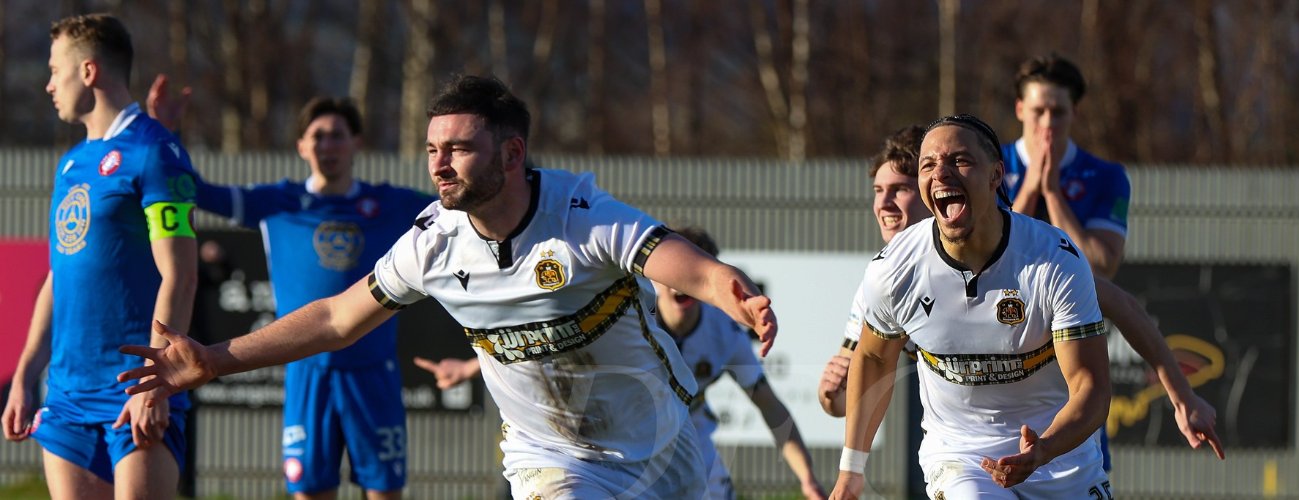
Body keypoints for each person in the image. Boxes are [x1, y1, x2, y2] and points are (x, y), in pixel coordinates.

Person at [116, 74, 777, 499]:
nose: (438, 163)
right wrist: (211, 359)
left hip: (664, 441)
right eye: (432, 148)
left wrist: (732, 292)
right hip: (553, 459)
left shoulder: (581, 215)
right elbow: (336, 320)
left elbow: (677, 261)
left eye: (457, 148)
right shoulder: (433, 242)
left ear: (512, 155)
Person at [817, 126, 1223, 465]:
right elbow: (850, 396)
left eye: (899, 189)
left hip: (1056, 436)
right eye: (878, 190)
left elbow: (1124, 307)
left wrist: (1182, 396)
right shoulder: (887, 275)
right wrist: (831, 393)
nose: (885, 203)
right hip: (969, 451)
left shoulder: (1034, 262)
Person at [149, 92, 435, 499]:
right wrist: (166, 134)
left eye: (337, 135)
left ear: (357, 142)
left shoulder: (390, 204)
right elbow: (195, 190)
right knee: (309, 490)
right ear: (301, 145)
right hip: (306, 372)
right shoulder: (276, 202)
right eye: (316, 136)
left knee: (384, 490)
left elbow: (459, 211)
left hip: (373, 371)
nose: (327, 145)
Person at [413, 225, 827, 500]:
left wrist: (807, 477)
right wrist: (468, 368)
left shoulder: (725, 335)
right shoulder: (626, 314)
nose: (681, 285)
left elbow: (770, 406)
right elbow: (542, 345)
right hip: (611, 438)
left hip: (685, 438)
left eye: (695, 277)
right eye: (674, 274)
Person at [831, 115, 1113, 499]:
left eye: (959, 160)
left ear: (997, 175)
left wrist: (1043, 449)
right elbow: (875, 359)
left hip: (1059, 459)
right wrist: (851, 470)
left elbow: (1090, 386)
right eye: (928, 164)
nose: (941, 174)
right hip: (961, 457)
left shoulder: (1053, 260)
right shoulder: (894, 268)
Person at [2, 14, 198, 499]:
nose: (49, 84)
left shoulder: (157, 152)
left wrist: (157, 381)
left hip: (132, 391)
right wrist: (27, 373)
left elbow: (181, 274)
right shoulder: (71, 163)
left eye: (55, 70)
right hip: (67, 398)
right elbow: (58, 277)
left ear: (88, 71)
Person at [1004, 54, 1129, 280]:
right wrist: (1029, 190)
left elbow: (1101, 270)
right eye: (1038, 111)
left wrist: (1052, 194)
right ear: (1020, 109)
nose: (1048, 123)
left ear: (1075, 112)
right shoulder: (990, 167)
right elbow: (990, 260)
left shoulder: (1107, 177)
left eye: (1058, 112)